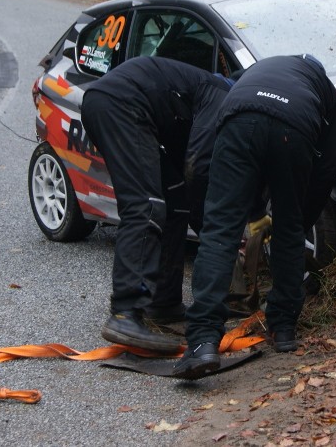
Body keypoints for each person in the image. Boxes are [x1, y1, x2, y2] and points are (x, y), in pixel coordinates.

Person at [173, 54, 336, 380]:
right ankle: (283, 329)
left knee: (220, 230)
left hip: (237, 119)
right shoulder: (325, 91)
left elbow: (219, 140)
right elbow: (327, 169)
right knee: (289, 225)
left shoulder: (255, 71)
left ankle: (203, 341)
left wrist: (242, 210)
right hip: (293, 126)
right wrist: (295, 220)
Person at [80, 56, 233, 353]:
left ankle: (162, 300)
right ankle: (125, 313)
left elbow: (184, 174)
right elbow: (197, 167)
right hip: (120, 104)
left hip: (121, 105)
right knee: (144, 205)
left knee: (174, 200)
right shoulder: (220, 94)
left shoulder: (198, 95)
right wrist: (217, 235)